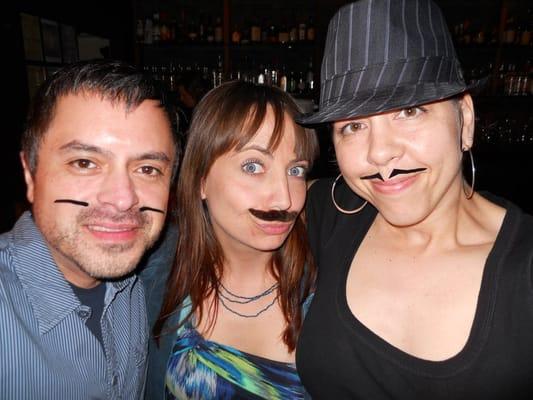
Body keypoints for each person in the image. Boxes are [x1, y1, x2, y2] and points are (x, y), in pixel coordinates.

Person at [295, 0, 533, 398]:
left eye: (409, 111)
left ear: (466, 121)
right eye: (353, 125)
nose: (380, 153)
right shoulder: (329, 212)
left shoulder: (525, 271)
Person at [0, 60, 179, 399]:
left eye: (147, 168)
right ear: (30, 174)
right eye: (84, 163)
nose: (123, 200)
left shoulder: (136, 287)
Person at [141, 80, 319, 399]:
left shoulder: (329, 288)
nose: (284, 198)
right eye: (253, 166)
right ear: (200, 181)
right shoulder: (151, 275)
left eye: (296, 170)